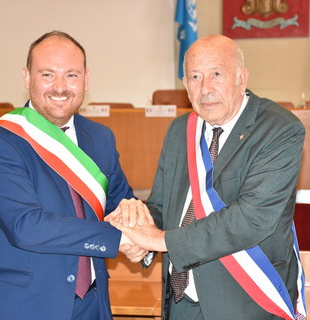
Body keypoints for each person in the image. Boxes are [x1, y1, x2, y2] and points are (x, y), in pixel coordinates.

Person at [107, 34, 306, 320]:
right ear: (185, 85)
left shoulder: (278, 129)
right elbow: (162, 207)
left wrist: (159, 241)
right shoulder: (179, 130)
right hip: (179, 302)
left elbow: (250, 219)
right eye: (195, 77)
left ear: (242, 77)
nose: (206, 89)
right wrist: (137, 234)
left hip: (247, 303)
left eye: (217, 74)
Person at [0, 31, 148, 320]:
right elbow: (26, 226)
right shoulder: (1, 141)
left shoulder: (100, 138)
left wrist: (142, 235)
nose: (60, 87)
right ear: (27, 78)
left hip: (93, 305)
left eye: (72, 75)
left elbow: (123, 203)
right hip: (26, 306)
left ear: (86, 80)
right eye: (48, 74)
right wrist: (118, 238)